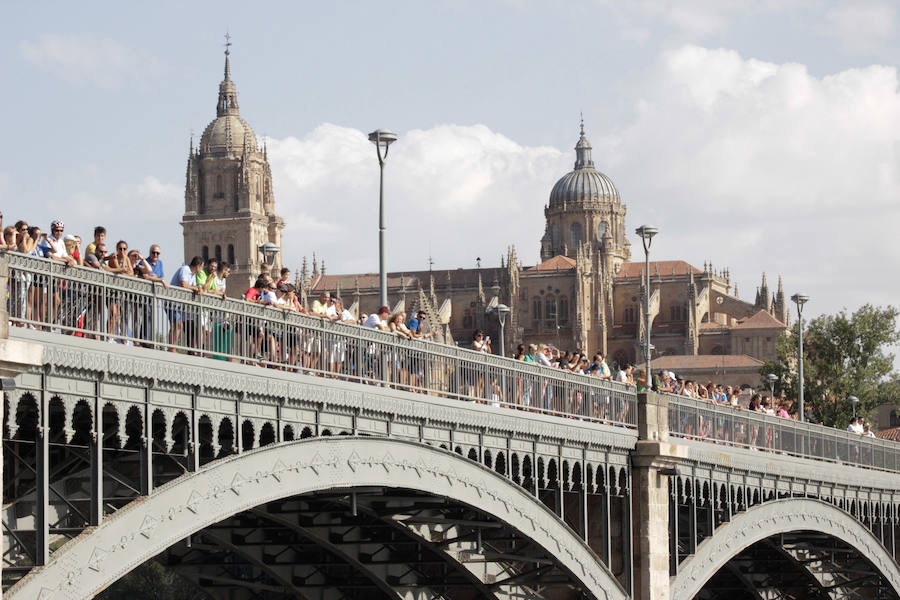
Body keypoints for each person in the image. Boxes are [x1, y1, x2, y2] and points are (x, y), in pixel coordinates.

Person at [167, 256, 205, 350]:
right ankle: (172, 348)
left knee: (178, 325)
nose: (202, 269)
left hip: (181, 304)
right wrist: (195, 288)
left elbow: (193, 286)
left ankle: (172, 347)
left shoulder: (193, 274)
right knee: (177, 324)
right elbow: (184, 284)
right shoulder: (185, 269)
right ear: (198, 266)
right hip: (173, 302)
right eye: (202, 267)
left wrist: (198, 289)